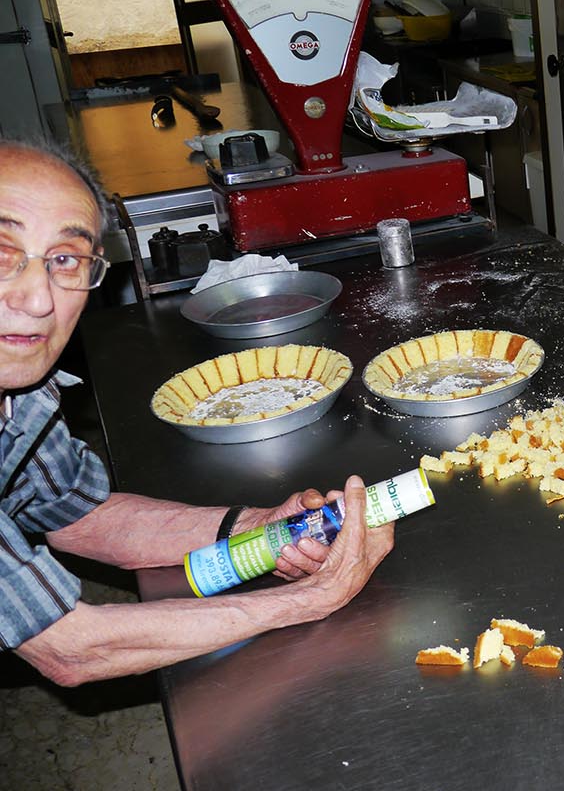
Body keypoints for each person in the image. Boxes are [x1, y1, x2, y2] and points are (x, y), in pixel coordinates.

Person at [0, 137, 394, 686]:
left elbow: (77, 515)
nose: (38, 298)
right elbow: (68, 647)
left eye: (64, 259)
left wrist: (255, 527)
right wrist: (315, 597)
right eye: (2, 252)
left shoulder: (20, 399)